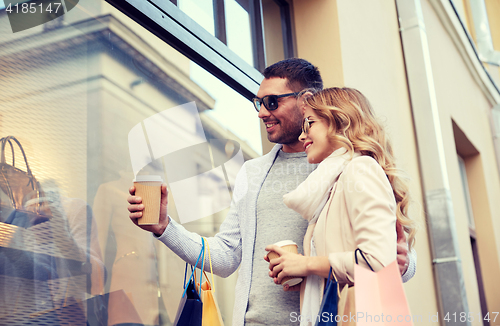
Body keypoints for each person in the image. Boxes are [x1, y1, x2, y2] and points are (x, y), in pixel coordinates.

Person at [127, 59, 416, 326]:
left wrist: (400, 262)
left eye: (272, 102)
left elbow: (390, 256)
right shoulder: (253, 172)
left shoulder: (345, 167)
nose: (263, 112)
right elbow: (226, 256)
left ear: (306, 102)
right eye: (259, 103)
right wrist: (165, 228)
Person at [266, 87, 417, 325]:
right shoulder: (332, 184)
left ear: (339, 122)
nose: (303, 136)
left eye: (310, 124)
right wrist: (305, 274)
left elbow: (377, 262)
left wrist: (306, 264)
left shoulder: (360, 169)